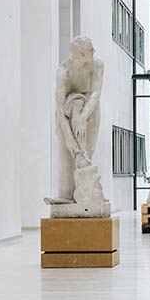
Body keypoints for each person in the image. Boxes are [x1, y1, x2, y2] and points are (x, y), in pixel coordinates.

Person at [55, 36, 104, 201]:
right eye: (91, 51)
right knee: (67, 155)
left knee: (87, 152)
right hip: (67, 113)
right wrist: (68, 136)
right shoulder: (63, 72)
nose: (94, 52)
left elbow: (96, 93)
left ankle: (87, 194)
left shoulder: (97, 64)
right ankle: (68, 196)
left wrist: (83, 118)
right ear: (81, 54)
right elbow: (59, 107)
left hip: (90, 108)